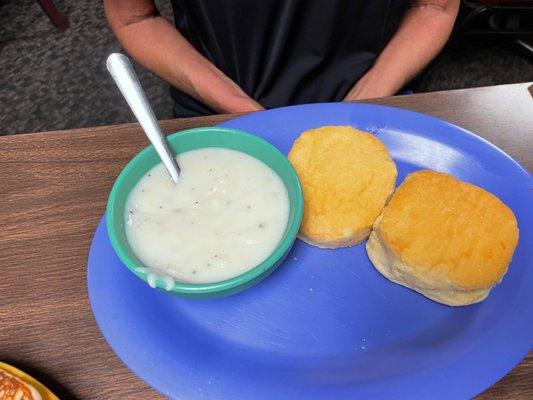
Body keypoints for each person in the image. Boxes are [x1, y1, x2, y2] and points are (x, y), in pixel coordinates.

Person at [104, 0, 460, 117]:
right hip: (218, 107)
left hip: (374, 98)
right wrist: (237, 105)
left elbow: (434, 5)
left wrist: (363, 102)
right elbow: (136, 17)